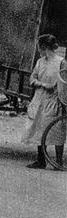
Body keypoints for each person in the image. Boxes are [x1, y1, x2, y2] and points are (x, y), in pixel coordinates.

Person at [22, 34, 65, 169]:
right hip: (40, 98)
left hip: (55, 100)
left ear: (44, 47)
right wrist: (43, 84)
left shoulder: (61, 62)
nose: (38, 50)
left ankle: (58, 162)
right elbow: (32, 79)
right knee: (39, 127)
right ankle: (41, 160)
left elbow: (64, 81)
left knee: (57, 129)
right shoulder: (40, 62)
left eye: (39, 47)